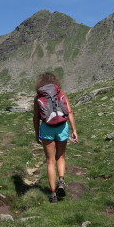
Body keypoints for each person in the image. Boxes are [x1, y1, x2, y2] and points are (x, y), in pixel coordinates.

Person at [33, 72, 78, 203]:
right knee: (61, 156)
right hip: (62, 127)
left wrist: (37, 134)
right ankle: (61, 180)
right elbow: (69, 112)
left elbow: (36, 118)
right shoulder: (61, 94)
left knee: (50, 161)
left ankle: (53, 194)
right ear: (55, 81)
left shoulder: (38, 97)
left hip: (47, 129)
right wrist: (74, 130)